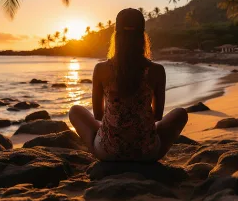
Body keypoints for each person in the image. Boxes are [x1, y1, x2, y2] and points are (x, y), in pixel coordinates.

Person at [69, 8, 188, 161]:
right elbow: (157, 116)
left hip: (109, 152)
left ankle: (101, 149)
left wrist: (118, 123)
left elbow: (98, 115)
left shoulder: (101, 69)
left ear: (116, 36)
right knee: (180, 113)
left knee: (74, 111)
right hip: (146, 153)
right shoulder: (157, 70)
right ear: (142, 36)